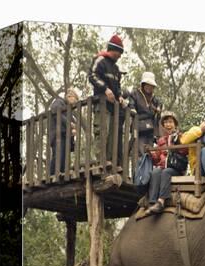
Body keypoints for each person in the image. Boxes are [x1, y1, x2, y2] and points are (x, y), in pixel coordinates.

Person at [88, 34, 127, 166]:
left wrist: (120, 96)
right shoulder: (100, 60)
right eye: (119, 52)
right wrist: (105, 89)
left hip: (113, 107)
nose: (120, 55)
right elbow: (92, 75)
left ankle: (109, 161)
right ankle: (100, 161)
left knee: (112, 136)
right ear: (112, 49)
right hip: (101, 104)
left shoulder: (116, 69)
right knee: (101, 132)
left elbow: (118, 87)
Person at [145, 111, 187, 215]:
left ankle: (161, 201)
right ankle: (152, 202)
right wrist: (151, 153)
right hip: (163, 166)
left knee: (166, 172)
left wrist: (177, 142)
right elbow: (157, 159)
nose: (168, 125)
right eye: (166, 123)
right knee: (155, 172)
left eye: (170, 122)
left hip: (175, 168)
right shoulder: (161, 141)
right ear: (163, 126)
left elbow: (185, 151)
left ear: (175, 124)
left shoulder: (180, 136)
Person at [129, 72, 162, 154]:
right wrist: (133, 110)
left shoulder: (154, 98)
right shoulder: (135, 94)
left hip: (150, 128)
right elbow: (131, 104)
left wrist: (158, 109)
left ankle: (147, 166)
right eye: (147, 85)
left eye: (151, 86)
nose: (149, 87)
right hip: (139, 127)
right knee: (140, 151)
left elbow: (160, 105)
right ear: (143, 85)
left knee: (149, 152)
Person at [49, 88, 79, 175]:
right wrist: (69, 124)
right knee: (58, 156)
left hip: (65, 137)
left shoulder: (70, 111)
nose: (75, 103)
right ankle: (52, 176)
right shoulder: (59, 102)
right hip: (57, 134)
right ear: (69, 96)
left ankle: (61, 174)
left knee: (64, 158)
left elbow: (71, 124)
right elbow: (55, 111)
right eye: (75, 100)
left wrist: (73, 131)